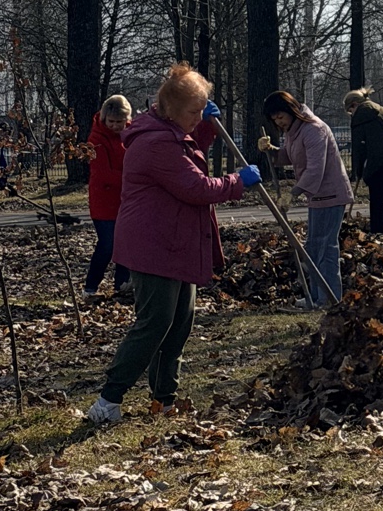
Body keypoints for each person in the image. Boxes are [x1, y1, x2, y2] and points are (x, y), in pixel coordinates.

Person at [85, 64, 261, 429]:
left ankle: (163, 399)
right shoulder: (155, 142)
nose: (198, 117)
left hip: (176, 241)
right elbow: (194, 186)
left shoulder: (169, 132)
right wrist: (237, 181)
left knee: (179, 323)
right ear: (172, 110)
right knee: (155, 324)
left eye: (201, 110)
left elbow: (191, 152)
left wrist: (206, 127)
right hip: (153, 244)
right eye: (194, 112)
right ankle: (108, 400)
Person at [261, 90, 354, 306]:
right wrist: (271, 151)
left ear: (291, 110)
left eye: (280, 116)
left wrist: (292, 194)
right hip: (317, 197)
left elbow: (315, 169)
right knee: (314, 247)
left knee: (325, 248)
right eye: (274, 119)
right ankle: (316, 296)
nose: (279, 122)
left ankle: (328, 298)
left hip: (331, 195)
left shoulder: (314, 129)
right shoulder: (294, 131)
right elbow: (289, 156)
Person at [83, 95, 133, 301]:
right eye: (111, 121)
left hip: (125, 199)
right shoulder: (96, 139)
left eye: (120, 122)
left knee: (125, 243)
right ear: (104, 119)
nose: (115, 126)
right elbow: (103, 174)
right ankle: (90, 287)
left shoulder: (130, 134)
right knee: (107, 244)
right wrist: (133, 179)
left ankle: (122, 284)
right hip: (104, 201)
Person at [344, 88, 383, 238]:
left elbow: (359, 148)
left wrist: (358, 171)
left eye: (350, 111)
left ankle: (379, 238)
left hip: (377, 167)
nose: (351, 114)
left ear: (354, 104)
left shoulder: (359, 118)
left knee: (377, 205)